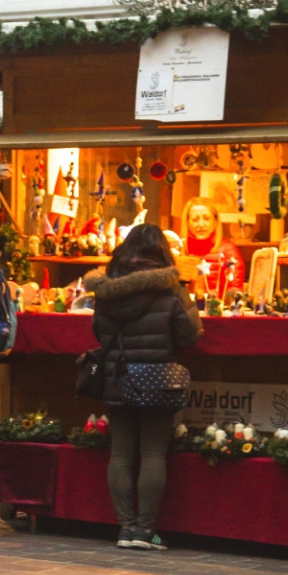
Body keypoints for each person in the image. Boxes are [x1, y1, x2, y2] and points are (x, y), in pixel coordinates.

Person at [83, 224, 202, 550]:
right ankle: (146, 532)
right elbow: (189, 334)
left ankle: (125, 529)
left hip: (118, 377)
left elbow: (98, 332)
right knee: (152, 454)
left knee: (121, 455)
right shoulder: (171, 288)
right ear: (161, 252)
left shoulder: (106, 290)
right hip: (158, 379)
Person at [180, 196, 245, 297]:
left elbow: (235, 292)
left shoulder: (229, 251)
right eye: (195, 220)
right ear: (187, 223)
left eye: (206, 219)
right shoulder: (180, 251)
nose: (201, 224)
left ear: (215, 222)